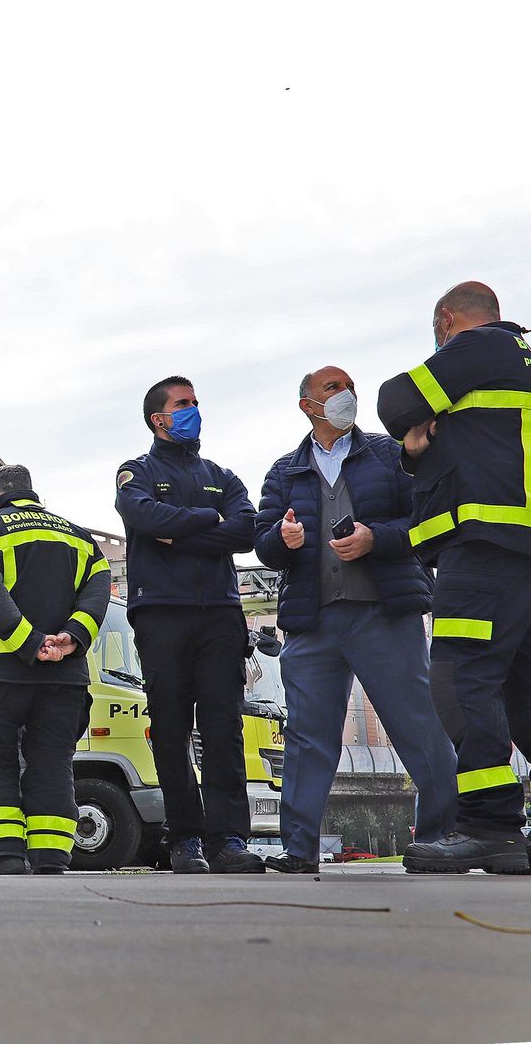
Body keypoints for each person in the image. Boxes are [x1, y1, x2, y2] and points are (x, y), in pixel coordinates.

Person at [254, 366, 456, 874]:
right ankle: (298, 850)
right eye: (331, 388)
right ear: (307, 405)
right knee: (306, 737)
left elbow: (421, 520)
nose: (345, 395)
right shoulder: (284, 472)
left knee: (417, 725)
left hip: (383, 615)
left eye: (349, 387)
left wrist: (375, 538)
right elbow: (263, 542)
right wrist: (284, 539)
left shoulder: (389, 455)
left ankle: (438, 837)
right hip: (313, 623)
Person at [378, 281, 531, 874]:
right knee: (521, 690)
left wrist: (415, 436)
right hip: (519, 550)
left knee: (461, 681)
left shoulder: (478, 350)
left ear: (447, 321)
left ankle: (491, 826)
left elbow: (396, 401)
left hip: (487, 545)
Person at [114, 375, 263, 874]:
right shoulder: (136, 471)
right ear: (159, 419)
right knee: (172, 729)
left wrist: (187, 529)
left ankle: (229, 841)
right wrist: (211, 523)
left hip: (220, 614)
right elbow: (146, 518)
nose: (193, 409)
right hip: (160, 614)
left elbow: (247, 530)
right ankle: (186, 839)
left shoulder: (223, 474)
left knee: (224, 729)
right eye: (183, 404)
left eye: (196, 402)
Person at [0, 466, 110, 875]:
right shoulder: (79, 536)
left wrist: (30, 642)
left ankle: (3, 855)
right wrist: (72, 636)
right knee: (53, 761)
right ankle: (51, 857)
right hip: (65, 678)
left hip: (0, 674)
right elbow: (99, 589)